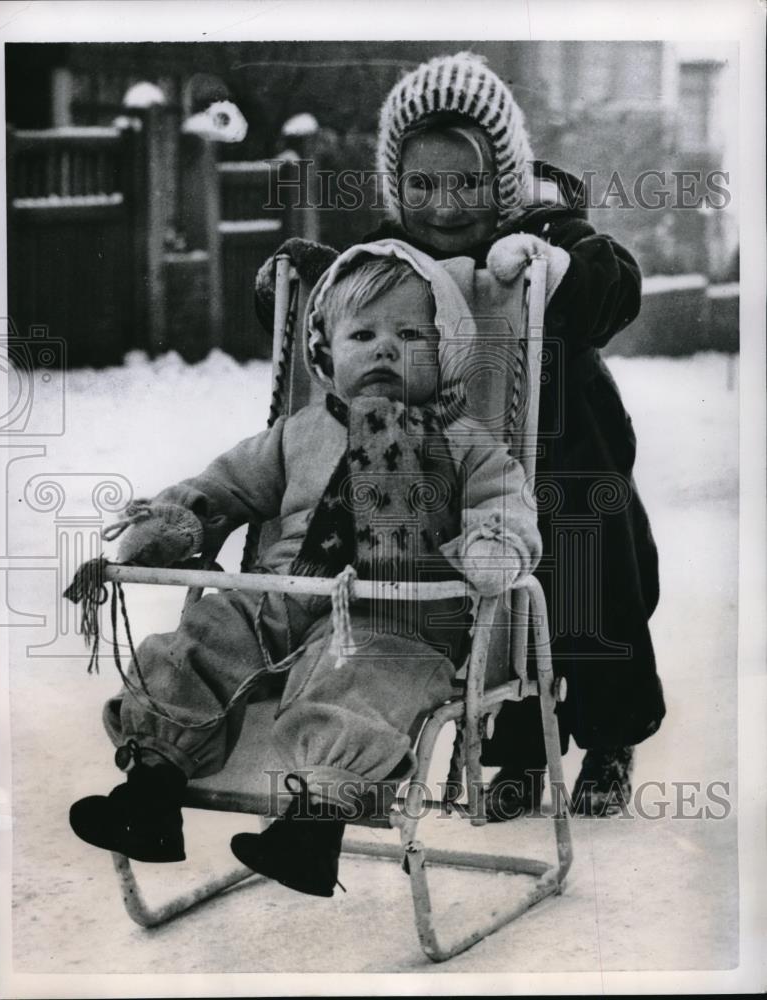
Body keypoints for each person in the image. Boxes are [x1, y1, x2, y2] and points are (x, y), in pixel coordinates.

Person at [255, 50, 665, 819]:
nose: (445, 206)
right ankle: (514, 754)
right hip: (465, 464)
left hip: (570, 456)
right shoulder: (395, 254)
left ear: (502, 181)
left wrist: (555, 264)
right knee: (489, 604)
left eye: (469, 183)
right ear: (396, 186)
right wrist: (308, 274)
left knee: (589, 602)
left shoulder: (542, 230)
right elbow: (347, 296)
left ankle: (611, 737)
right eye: (422, 185)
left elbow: (614, 282)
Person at [69, 240, 542, 897]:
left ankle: (312, 830)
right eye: (363, 334)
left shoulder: (466, 443)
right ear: (325, 352)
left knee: (365, 676)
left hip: (394, 614)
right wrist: (177, 523)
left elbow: (505, 506)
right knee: (201, 638)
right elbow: (224, 487)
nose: (384, 349)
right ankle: (151, 793)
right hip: (278, 601)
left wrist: (494, 543)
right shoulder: (300, 433)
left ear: (449, 351)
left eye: (410, 334)